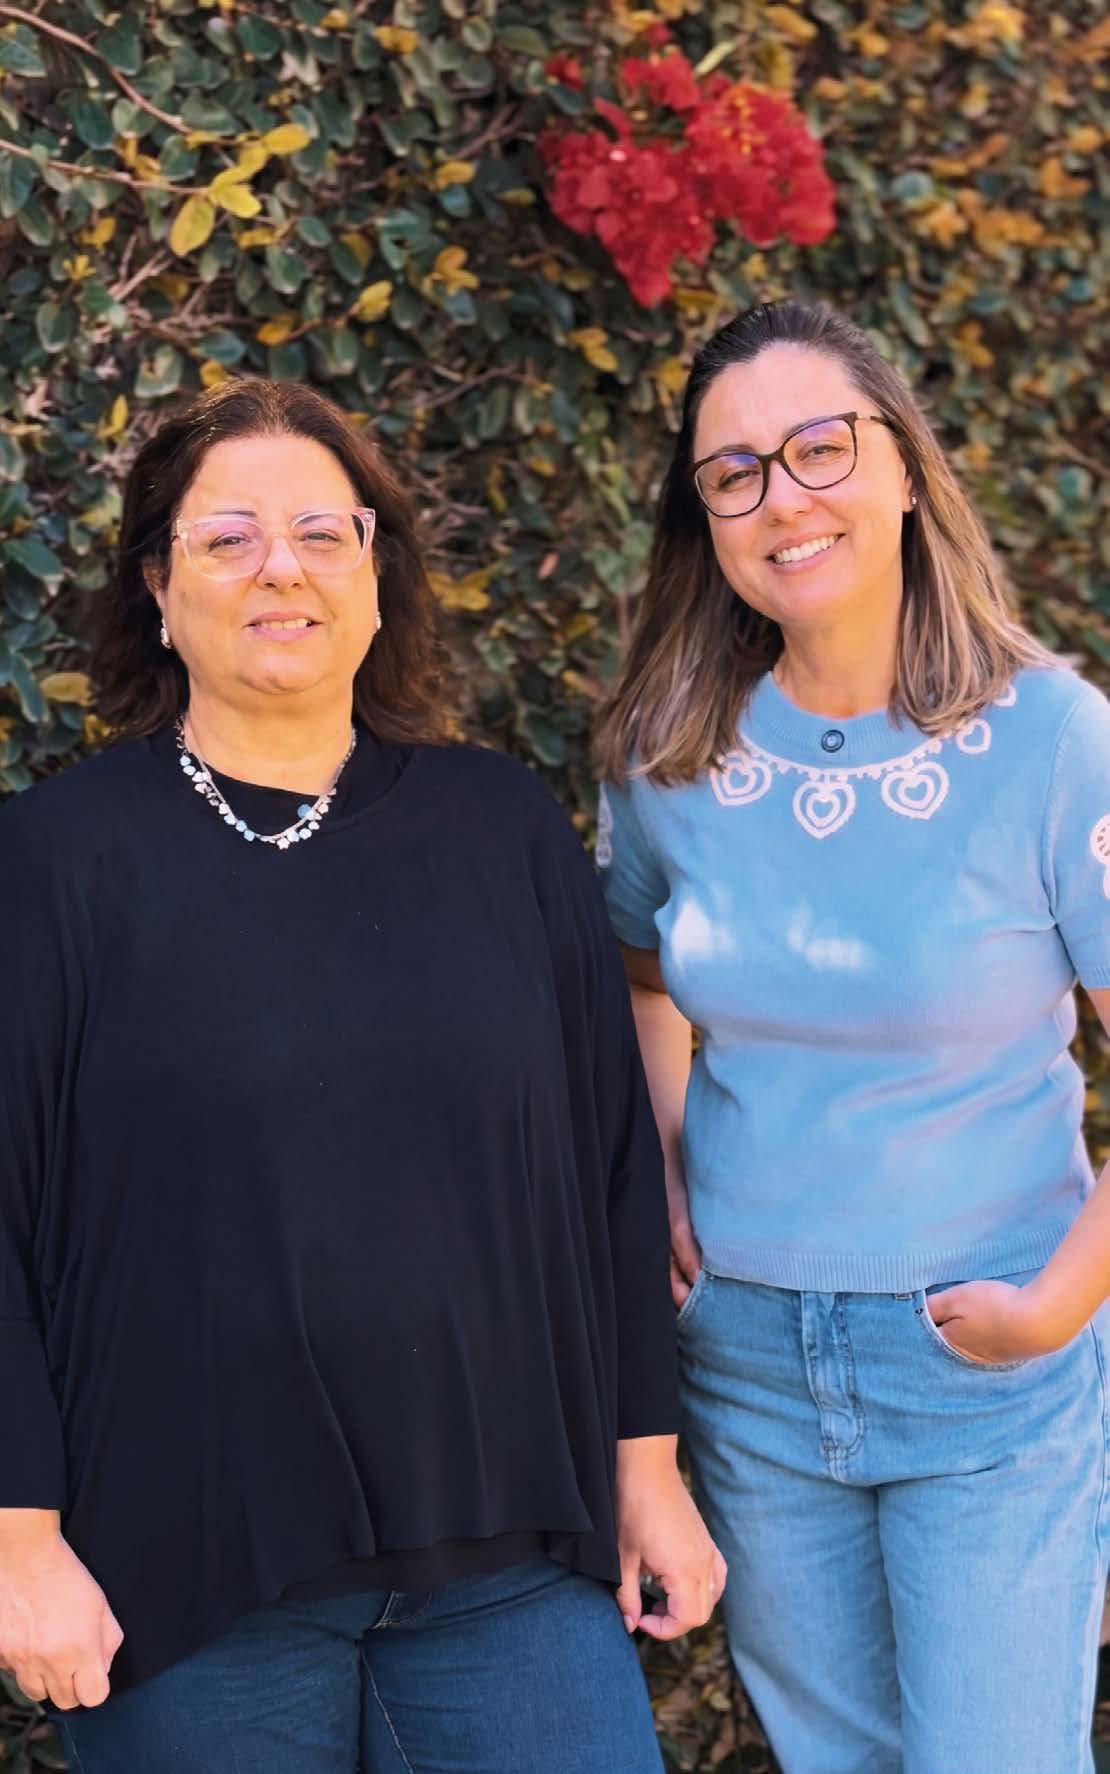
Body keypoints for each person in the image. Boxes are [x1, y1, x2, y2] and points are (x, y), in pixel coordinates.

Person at [0, 376, 725, 1774]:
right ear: (158, 587)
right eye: (228, 538)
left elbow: (612, 1175)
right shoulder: (53, 863)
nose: (282, 566)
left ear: (377, 575)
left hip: (513, 1564)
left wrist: (646, 1469)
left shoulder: (503, 829)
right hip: (193, 1585)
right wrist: (16, 1539)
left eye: (324, 532)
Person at [594, 299, 1110, 1774]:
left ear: (902, 468)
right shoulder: (666, 754)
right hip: (747, 1357)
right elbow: (639, 982)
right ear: (702, 519)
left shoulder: (1051, 737)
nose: (783, 496)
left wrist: (1055, 1309)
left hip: (986, 1356)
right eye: (734, 472)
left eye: (820, 447)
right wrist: (666, 1166)